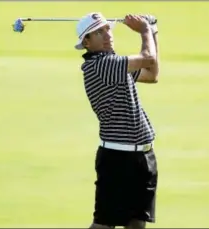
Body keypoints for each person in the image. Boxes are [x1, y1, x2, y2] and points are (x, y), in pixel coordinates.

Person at [75, 12, 160, 229]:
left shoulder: (116, 65)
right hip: (117, 158)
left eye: (107, 29)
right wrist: (144, 31)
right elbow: (148, 58)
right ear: (86, 42)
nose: (107, 35)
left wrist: (153, 31)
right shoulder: (102, 65)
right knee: (103, 225)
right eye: (99, 32)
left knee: (137, 225)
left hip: (142, 157)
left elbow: (152, 75)